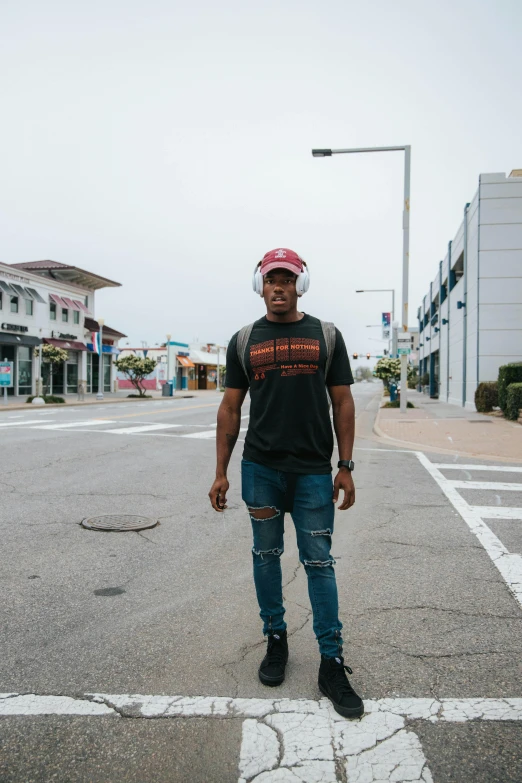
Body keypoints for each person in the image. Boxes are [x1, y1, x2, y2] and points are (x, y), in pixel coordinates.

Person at [208, 248, 363, 718]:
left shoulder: (326, 335)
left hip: (315, 472)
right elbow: (230, 408)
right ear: (261, 285)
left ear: (301, 284)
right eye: (271, 279)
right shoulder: (244, 340)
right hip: (261, 470)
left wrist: (346, 465)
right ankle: (276, 639)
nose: (279, 286)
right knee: (265, 556)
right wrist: (220, 471)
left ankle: (331, 662)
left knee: (319, 562)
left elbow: (343, 403)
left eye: (287, 278)